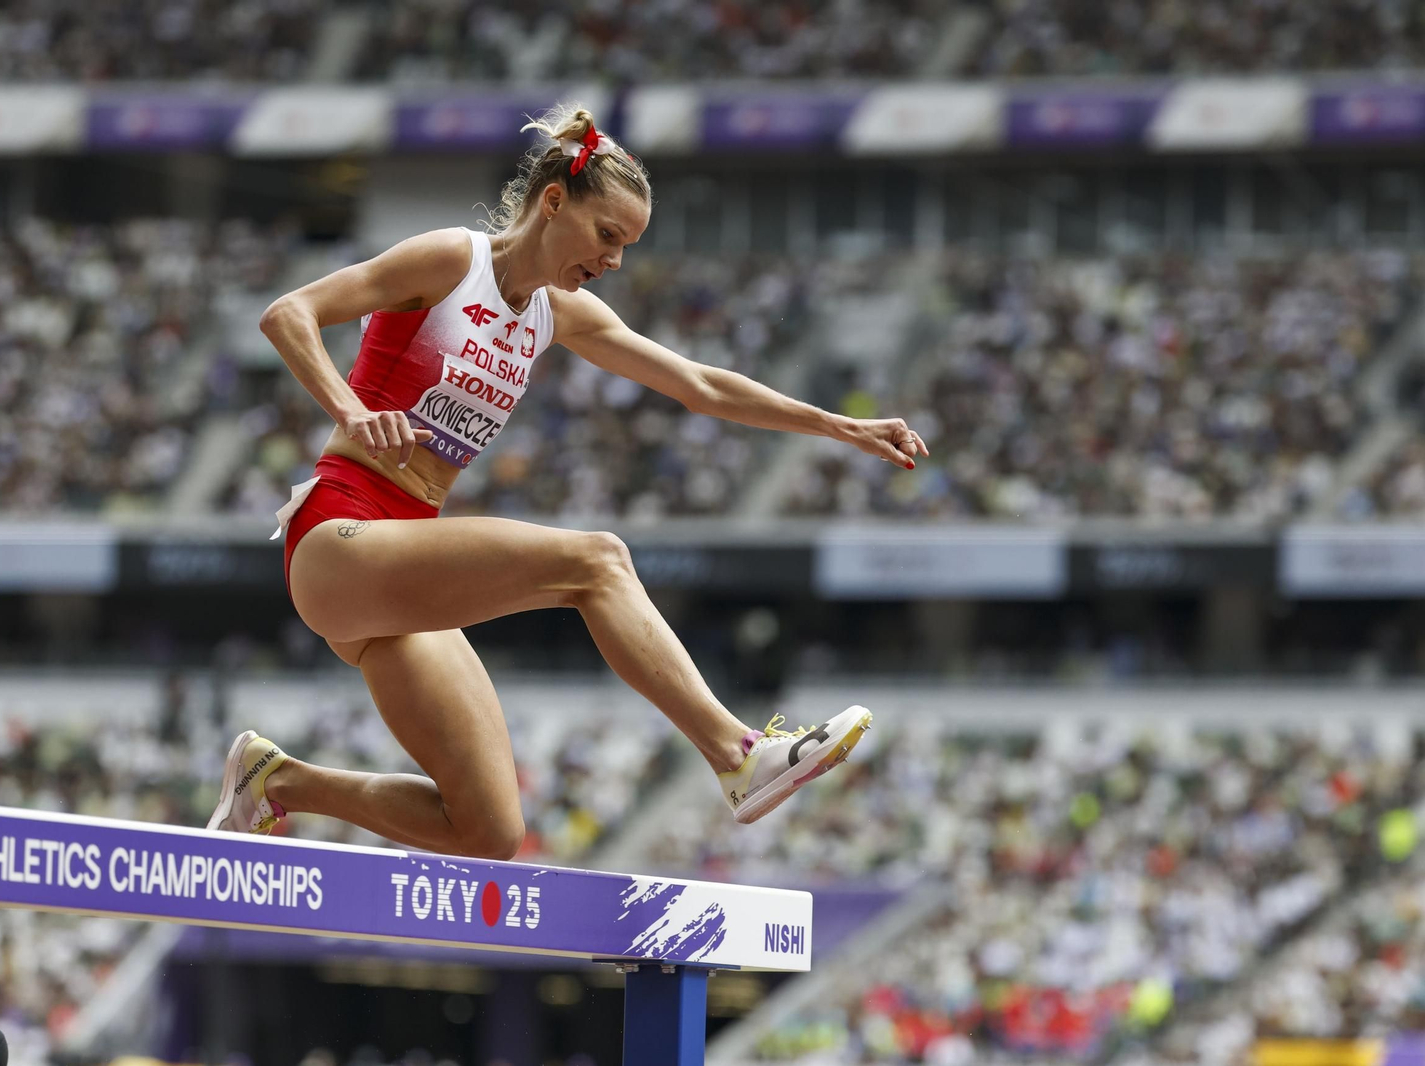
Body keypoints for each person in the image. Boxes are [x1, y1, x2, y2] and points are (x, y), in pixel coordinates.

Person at [205, 104, 927, 859]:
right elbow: (290, 314)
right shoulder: (454, 260)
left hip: (401, 566)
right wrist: (351, 411)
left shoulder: (561, 312)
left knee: (488, 831)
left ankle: (277, 781)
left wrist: (843, 426)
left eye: (628, 246)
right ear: (554, 203)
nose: (615, 260)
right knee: (597, 561)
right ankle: (739, 755)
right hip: (339, 534)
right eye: (607, 235)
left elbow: (700, 385)